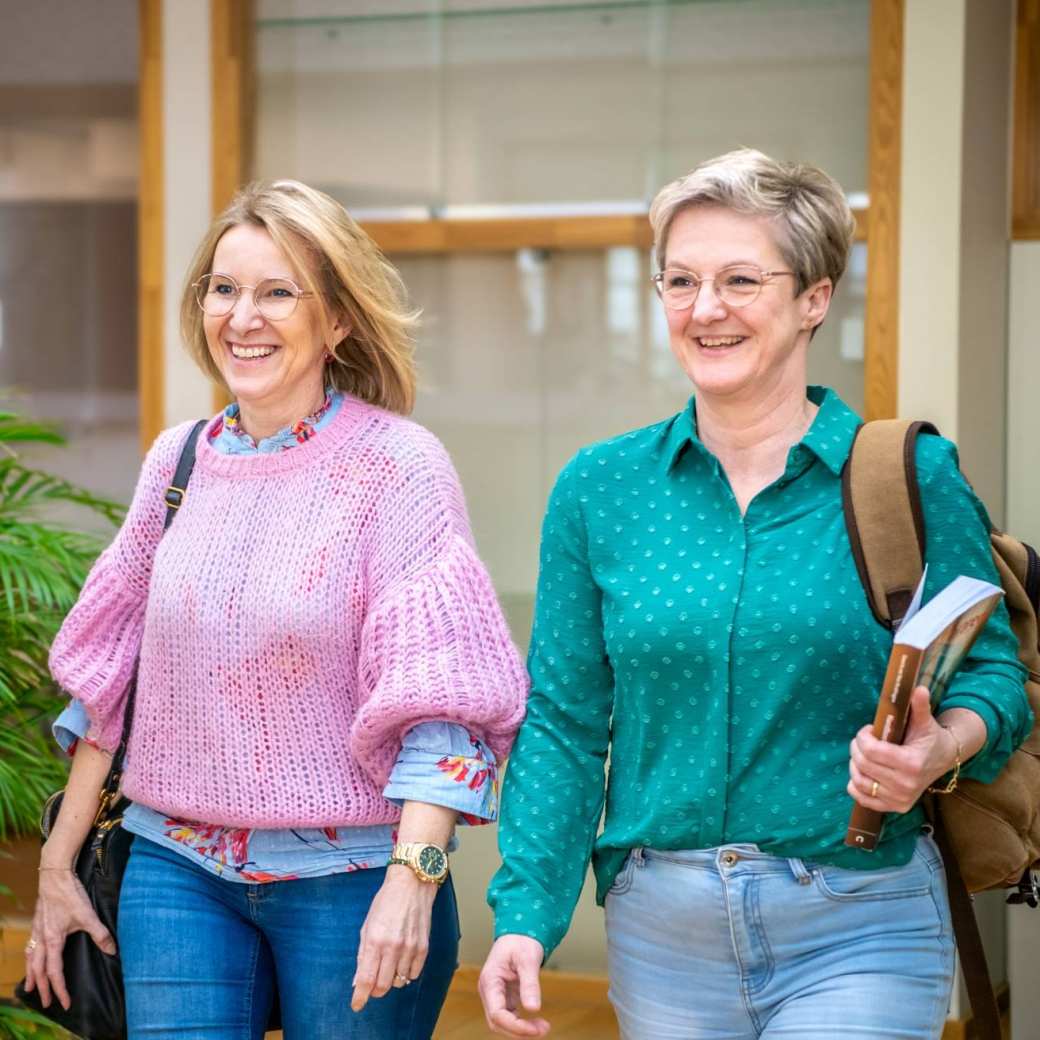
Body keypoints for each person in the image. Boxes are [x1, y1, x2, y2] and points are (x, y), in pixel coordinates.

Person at [478, 149, 1033, 1039]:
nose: (706, 309)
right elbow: (565, 722)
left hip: (862, 919)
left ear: (813, 297)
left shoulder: (905, 474)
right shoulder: (600, 488)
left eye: (741, 279)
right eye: (681, 281)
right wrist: (526, 913)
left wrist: (938, 749)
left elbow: (993, 674)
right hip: (663, 934)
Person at [23, 180, 528, 1040]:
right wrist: (56, 866)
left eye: (277, 292)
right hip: (175, 874)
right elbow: (111, 684)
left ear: (336, 321)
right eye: (224, 289)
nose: (242, 317)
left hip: (352, 879)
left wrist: (416, 878)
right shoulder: (175, 462)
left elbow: (440, 706)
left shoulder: (397, 467)